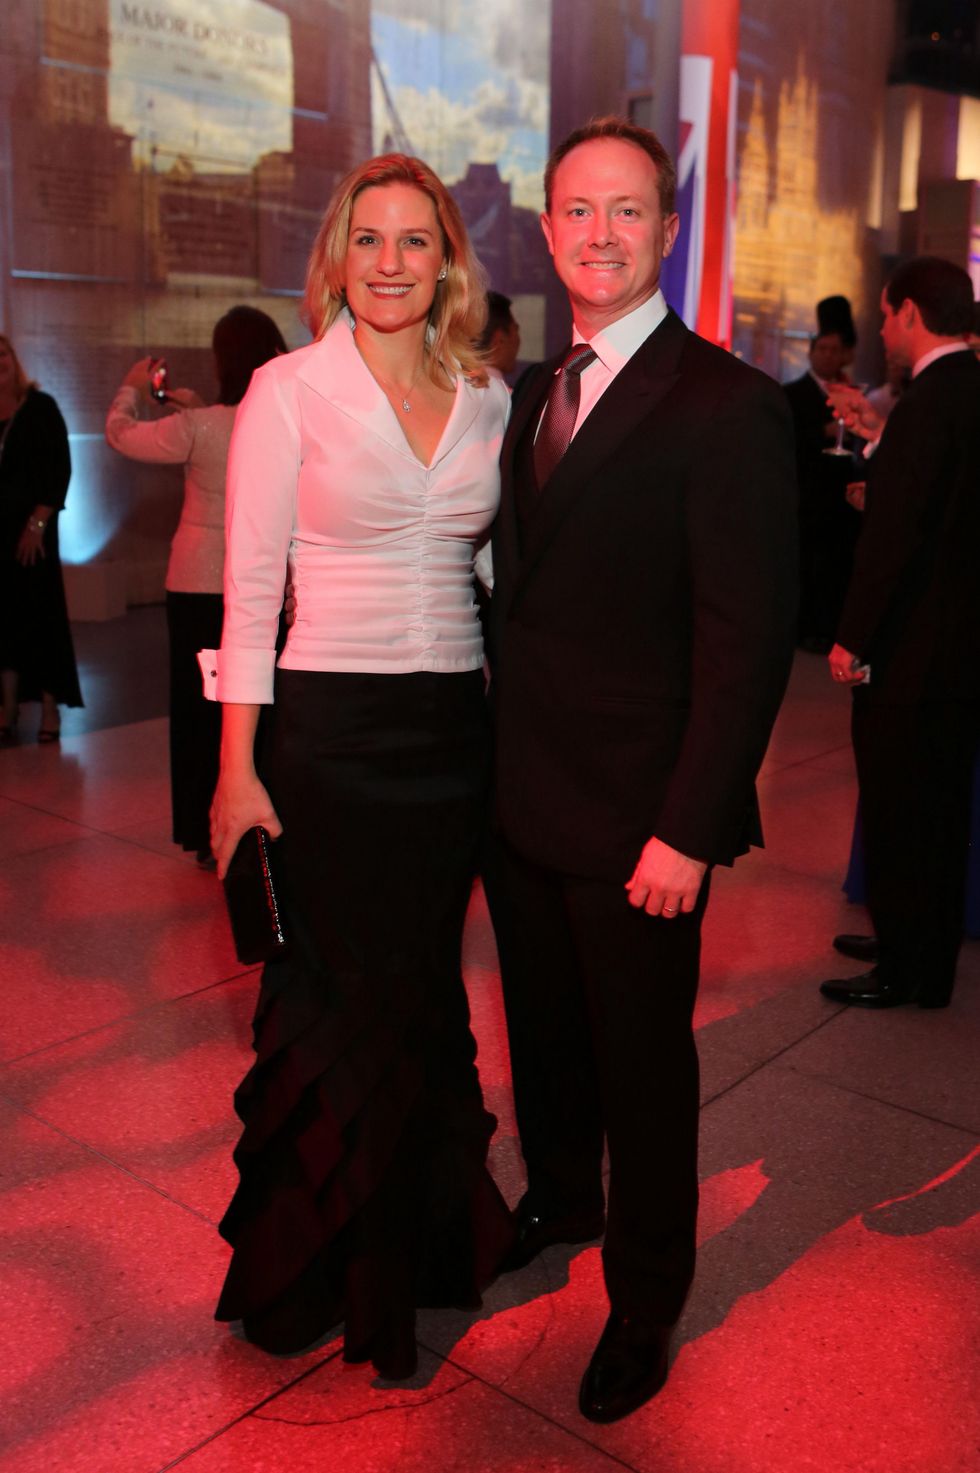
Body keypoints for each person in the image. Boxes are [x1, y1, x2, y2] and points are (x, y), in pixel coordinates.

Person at [484, 117, 797, 1423]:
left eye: (627, 212)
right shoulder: (526, 396)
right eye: (576, 211)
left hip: (640, 825)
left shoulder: (726, 404)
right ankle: (560, 1194)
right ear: (547, 230)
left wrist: (689, 830)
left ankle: (648, 1291)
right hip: (522, 800)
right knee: (545, 1041)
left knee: (643, 1065)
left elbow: (747, 645)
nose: (599, 234)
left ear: (666, 232)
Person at [207, 153, 514, 1380]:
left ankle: (417, 1255)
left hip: (452, 740)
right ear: (336, 255)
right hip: (327, 738)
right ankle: (328, 1270)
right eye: (367, 240)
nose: (390, 263)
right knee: (341, 1000)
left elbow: (493, 576)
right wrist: (237, 774)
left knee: (423, 995)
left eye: (414, 241)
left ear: (447, 259)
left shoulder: (485, 395)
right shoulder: (287, 390)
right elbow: (244, 596)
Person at [821, 256, 980, 1010]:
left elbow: (897, 539)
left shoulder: (928, 400)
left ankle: (906, 968)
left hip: (910, 646)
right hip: (955, 644)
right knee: (938, 808)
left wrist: (852, 637)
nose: (881, 327)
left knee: (899, 803)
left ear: (913, 312)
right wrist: (881, 446)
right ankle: (915, 942)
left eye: (886, 314)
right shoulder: (967, 390)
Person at [105, 307, 287, 866]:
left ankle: (203, 830)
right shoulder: (278, 418)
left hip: (195, 583)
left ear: (221, 359)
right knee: (261, 705)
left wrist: (131, 390)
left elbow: (121, 435)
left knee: (197, 711)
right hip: (265, 582)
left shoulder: (200, 426)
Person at [0, 334, 83, 743]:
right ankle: (8, 707)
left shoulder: (41, 408)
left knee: (42, 618)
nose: (0, 361)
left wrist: (37, 524)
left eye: (3, 353)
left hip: (36, 534)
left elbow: (59, 470)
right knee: (3, 621)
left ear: (15, 360)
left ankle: (51, 710)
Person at [783, 319, 861, 653]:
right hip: (807, 493)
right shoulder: (793, 393)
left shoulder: (849, 392)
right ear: (811, 352)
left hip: (840, 496)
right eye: (823, 349)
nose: (829, 357)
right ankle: (804, 628)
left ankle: (828, 627)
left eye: (835, 351)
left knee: (835, 563)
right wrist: (824, 433)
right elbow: (788, 441)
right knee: (806, 562)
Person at [478, 290, 522, 378]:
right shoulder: (500, 390)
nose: (519, 340)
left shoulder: (452, 385)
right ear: (500, 340)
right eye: (516, 329)